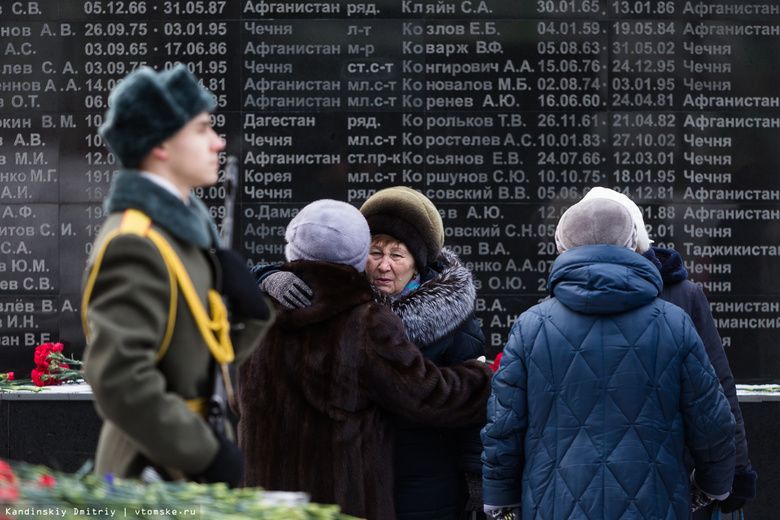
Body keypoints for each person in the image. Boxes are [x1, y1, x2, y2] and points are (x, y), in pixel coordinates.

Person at [236, 199, 493, 520]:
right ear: (357, 254)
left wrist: (476, 472)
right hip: (349, 486)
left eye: (398, 255)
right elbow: (428, 393)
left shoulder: (260, 312)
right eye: (375, 252)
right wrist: (486, 379)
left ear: (419, 263)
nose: (384, 265)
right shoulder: (359, 318)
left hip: (421, 484)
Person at [481, 196, 736, 520]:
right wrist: (710, 486)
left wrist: (502, 501)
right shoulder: (673, 323)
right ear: (633, 244)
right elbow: (714, 424)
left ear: (562, 247)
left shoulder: (531, 327)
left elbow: (504, 427)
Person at [80, 65, 273, 487]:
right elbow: (119, 379)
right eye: (202, 128)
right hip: (151, 474)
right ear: (162, 144)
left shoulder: (180, 236)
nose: (218, 142)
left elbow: (195, 362)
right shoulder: (135, 243)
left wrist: (251, 316)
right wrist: (205, 453)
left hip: (183, 464)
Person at [581, 187, 757, 517]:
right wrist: (731, 476)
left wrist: (734, 471)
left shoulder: (682, 296)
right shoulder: (564, 301)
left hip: (656, 481)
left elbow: (718, 389)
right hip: (660, 485)